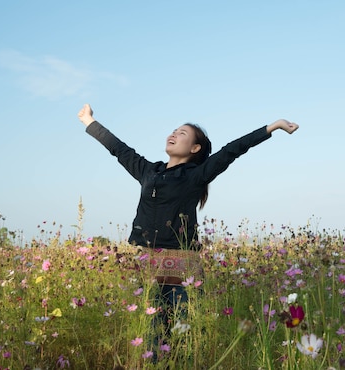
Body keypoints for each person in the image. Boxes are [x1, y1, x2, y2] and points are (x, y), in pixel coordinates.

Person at [77, 103, 299, 352]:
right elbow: (118, 149)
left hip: (183, 275)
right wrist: (88, 121)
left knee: (182, 337)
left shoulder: (196, 175)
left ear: (195, 148)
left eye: (182, 133)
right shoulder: (148, 171)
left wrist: (274, 126)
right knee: (151, 336)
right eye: (173, 131)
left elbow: (232, 150)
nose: (173, 134)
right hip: (149, 268)